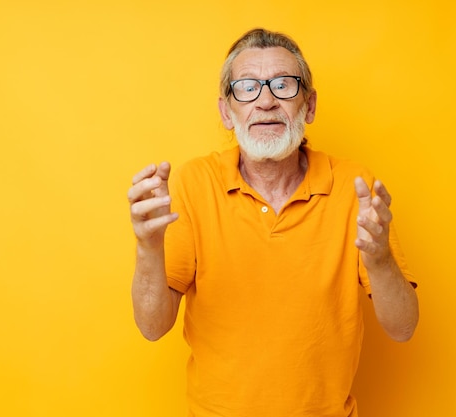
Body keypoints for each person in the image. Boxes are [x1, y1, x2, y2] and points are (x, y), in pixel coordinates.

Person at [127, 28, 419, 417]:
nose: (266, 101)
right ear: (226, 112)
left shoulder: (355, 187)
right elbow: (152, 327)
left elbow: (403, 328)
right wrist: (148, 249)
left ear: (309, 106)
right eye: (247, 87)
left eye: (283, 85)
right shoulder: (194, 183)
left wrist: (380, 260)